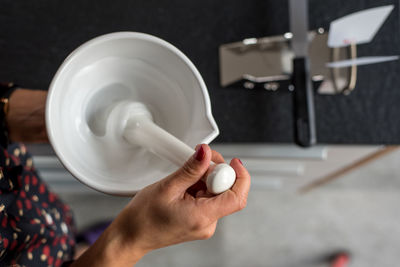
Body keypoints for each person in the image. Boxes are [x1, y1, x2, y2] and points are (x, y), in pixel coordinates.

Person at [0, 84, 251, 266]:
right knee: (66, 247)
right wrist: (127, 241)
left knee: (56, 230)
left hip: (25, 203)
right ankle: (84, 251)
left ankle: (76, 248)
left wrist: (23, 113)